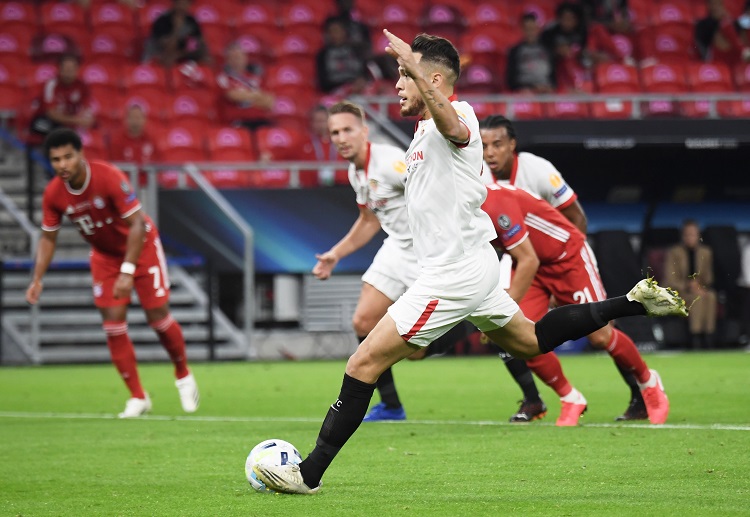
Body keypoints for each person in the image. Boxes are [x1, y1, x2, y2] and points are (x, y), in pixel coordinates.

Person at [252, 31, 687, 494]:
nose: (398, 84)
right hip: (468, 266)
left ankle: (309, 473)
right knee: (530, 341)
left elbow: (454, 126)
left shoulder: (457, 114)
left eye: (405, 75)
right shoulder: (419, 133)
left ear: (433, 78)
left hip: (452, 273)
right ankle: (633, 302)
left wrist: (416, 68)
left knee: (362, 364)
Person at [480, 114, 653, 422]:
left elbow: (576, 218)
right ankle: (548, 399)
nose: (490, 152)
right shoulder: (481, 179)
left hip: (564, 258)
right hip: (524, 260)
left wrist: (567, 269)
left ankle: (643, 391)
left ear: (512, 145)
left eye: (497, 144)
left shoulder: (538, 171)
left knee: (600, 335)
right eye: (483, 146)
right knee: (513, 331)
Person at [26, 128, 200, 418]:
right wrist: (37, 278)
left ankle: (183, 374)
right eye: (56, 160)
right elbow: (48, 237)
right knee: (112, 324)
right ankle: (138, 397)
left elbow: (136, 225)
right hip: (105, 257)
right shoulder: (54, 194)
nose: (63, 164)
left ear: (81, 154)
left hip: (141, 247)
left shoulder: (108, 177)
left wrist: (128, 271)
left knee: (157, 315)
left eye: (68, 156)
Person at [312, 100, 412, 421]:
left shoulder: (391, 162)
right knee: (364, 322)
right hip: (397, 247)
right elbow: (369, 220)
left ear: (364, 131)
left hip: (429, 250)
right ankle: (392, 406)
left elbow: (429, 193)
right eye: (334, 132)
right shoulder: (356, 170)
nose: (341, 138)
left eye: (347, 130)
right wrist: (335, 255)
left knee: (421, 350)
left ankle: (532, 397)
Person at [663, 219, 718, 349]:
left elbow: (709, 278)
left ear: (698, 235)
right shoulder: (674, 252)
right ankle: (696, 337)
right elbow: (670, 279)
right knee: (696, 298)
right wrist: (689, 285)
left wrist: (700, 287)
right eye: (687, 234)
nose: (690, 237)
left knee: (711, 296)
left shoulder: (706, 252)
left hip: (700, 290)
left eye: (693, 234)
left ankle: (708, 336)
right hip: (679, 291)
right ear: (682, 236)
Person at [30, 54, 95, 141]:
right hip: (45, 119)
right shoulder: (51, 85)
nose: (68, 73)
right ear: (59, 69)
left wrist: (85, 119)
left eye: (71, 69)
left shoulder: (82, 86)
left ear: (77, 70)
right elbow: (51, 113)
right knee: (57, 133)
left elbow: (86, 107)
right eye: (66, 69)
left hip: (68, 121)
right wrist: (77, 121)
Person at [215, 42, 274, 131]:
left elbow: (269, 102)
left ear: (245, 58)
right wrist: (257, 96)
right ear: (227, 60)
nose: (237, 60)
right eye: (234, 57)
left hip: (261, 121)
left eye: (239, 56)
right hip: (238, 122)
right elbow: (233, 95)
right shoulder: (224, 77)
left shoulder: (254, 78)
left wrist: (246, 96)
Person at [144, 0, 208, 66]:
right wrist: (177, 28)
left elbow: (200, 43)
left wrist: (180, 55)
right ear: (174, 4)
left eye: (185, 4)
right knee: (169, 59)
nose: (182, 7)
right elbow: (168, 47)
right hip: (159, 54)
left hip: (179, 54)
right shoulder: (162, 21)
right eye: (179, 3)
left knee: (206, 59)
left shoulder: (191, 21)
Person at [316, 17, 368, 94]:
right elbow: (323, 83)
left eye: (336, 31)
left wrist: (360, 82)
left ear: (345, 32)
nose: (333, 34)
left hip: (359, 91)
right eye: (330, 31)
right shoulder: (322, 55)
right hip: (335, 93)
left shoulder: (357, 51)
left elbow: (365, 73)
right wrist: (347, 86)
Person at [506, 13, 555, 94]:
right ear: (522, 30)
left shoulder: (548, 49)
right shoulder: (515, 51)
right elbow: (510, 80)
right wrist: (532, 87)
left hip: (546, 91)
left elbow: (553, 77)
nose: (530, 32)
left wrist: (550, 86)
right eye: (527, 29)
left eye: (532, 28)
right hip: (525, 92)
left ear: (538, 29)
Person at [695, 0, 750, 66]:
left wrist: (727, 20)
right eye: (713, 4)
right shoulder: (702, 24)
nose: (716, 7)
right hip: (714, 60)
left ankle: (743, 51)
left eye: (719, 4)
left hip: (735, 59)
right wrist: (723, 21)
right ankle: (743, 51)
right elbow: (702, 45)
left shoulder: (734, 23)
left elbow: (742, 28)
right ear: (708, 5)